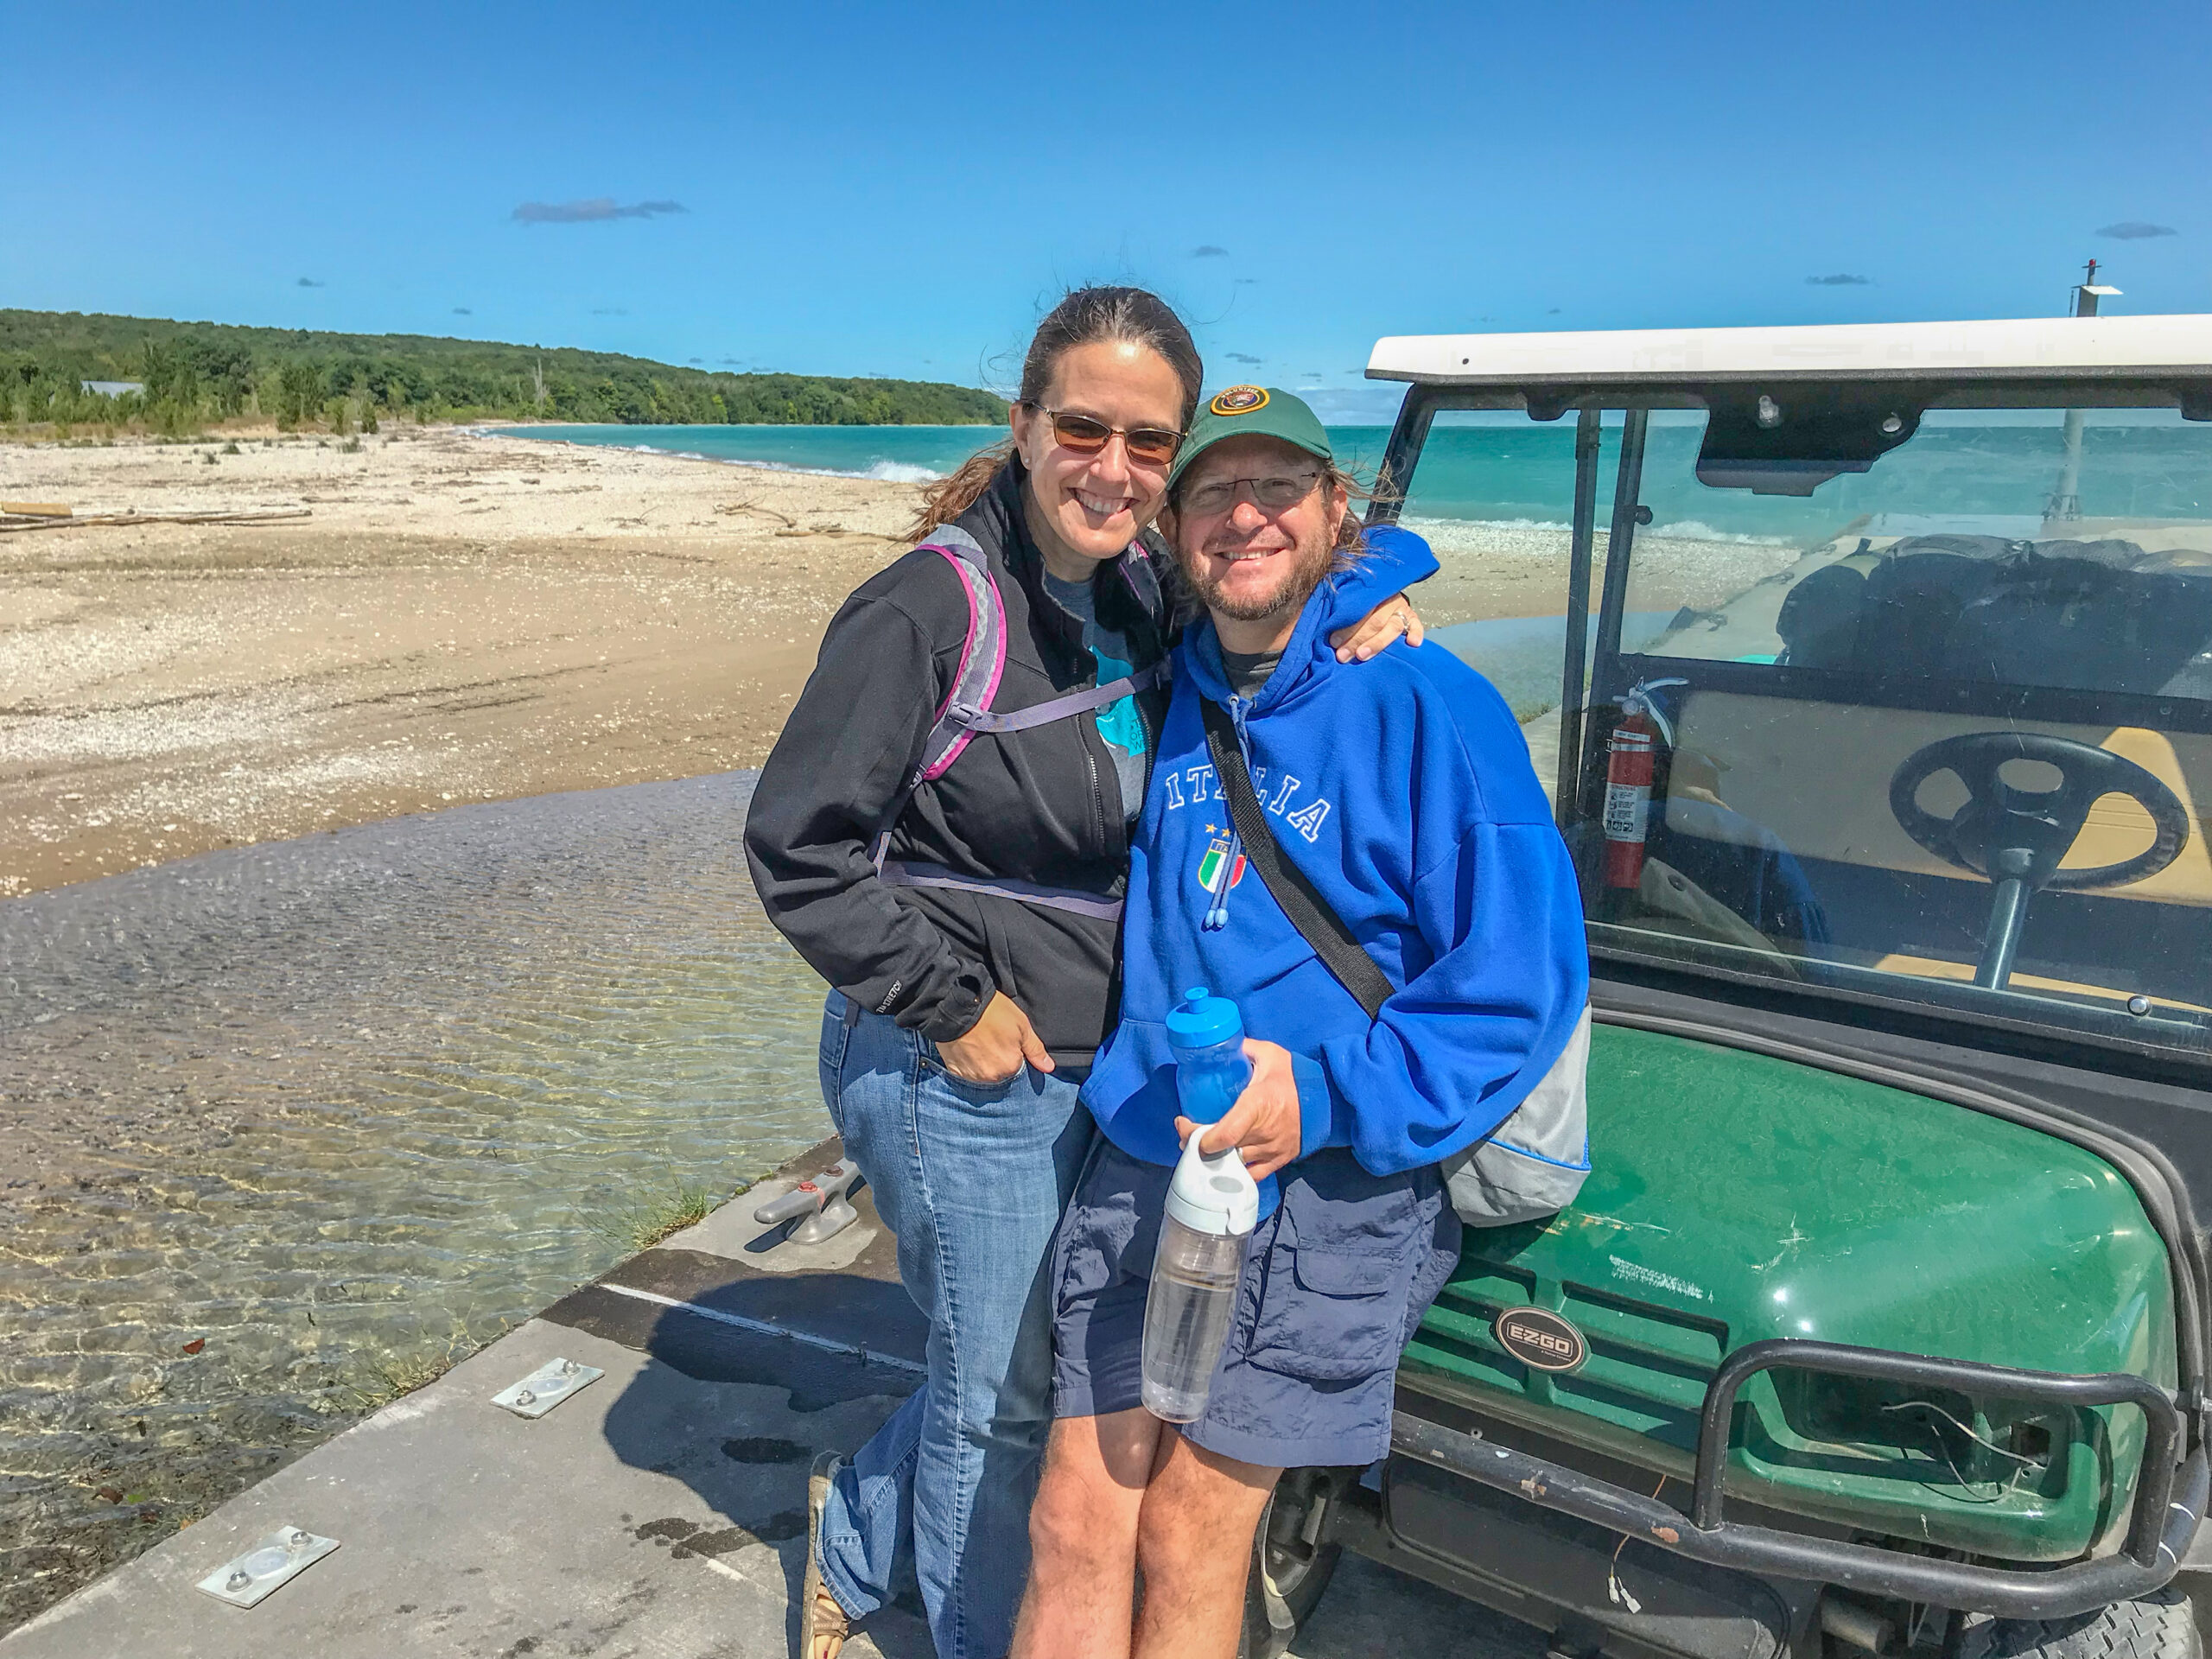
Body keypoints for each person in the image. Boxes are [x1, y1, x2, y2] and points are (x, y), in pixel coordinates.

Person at [742, 295, 1432, 1659]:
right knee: (1005, 1398)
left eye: (1146, 442)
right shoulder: (927, 609)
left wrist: (1376, 586)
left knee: (1022, 1367)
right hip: (965, 1069)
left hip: (1096, 1068)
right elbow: (797, 848)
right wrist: (956, 1011)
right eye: (1082, 428)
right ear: (1025, 425)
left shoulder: (1132, 583)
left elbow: (1269, 558)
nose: (1111, 466)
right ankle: (968, 1625)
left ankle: (864, 1528)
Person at [1011, 389, 1590, 1659]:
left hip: (1328, 1183)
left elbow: (1517, 989)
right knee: (1072, 1520)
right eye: (1215, 490)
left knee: (1189, 1533)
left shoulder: (1431, 703)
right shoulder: (1172, 679)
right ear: (1172, 531)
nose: (1246, 515)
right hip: (1152, 1150)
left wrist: (1325, 1097)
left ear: (1341, 512)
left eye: (1281, 487)